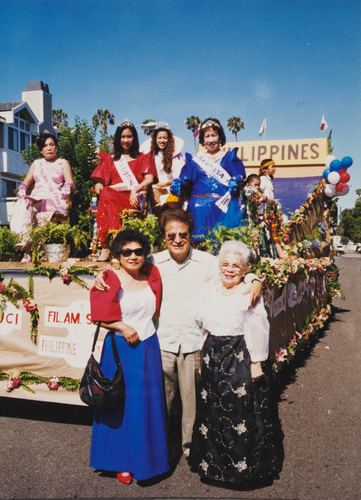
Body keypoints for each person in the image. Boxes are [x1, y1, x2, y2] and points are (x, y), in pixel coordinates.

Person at [93, 208, 262, 460]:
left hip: (194, 342)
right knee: (161, 402)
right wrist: (101, 274)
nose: (177, 240)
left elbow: (234, 270)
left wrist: (254, 278)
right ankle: (160, 449)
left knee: (192, 403)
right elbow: (125, 270)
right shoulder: (151, 263)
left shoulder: (208, 262)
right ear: (164, 238)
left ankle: (190, 448)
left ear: (190, 234)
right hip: (161, 342)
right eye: (171, 235)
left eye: (183, 234)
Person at [189, 240, 283, 487]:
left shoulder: (248, 291)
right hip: (212, 356)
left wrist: (257, 363)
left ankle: (240, 472)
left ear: (244, 269)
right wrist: (201, 359)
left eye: (235, 266)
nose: (229, 269)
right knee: (213, 412)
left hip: (238, 354)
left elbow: (259, 327)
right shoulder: (209, 289)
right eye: (225, 264)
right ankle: (214, 467)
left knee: (240, 411)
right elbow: (205, 329)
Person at [89, 229, 169, 484]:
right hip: (120, 349)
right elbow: (98, 316)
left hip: (147, 347)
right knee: (121, 406)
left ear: (145, 254)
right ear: (118, 254)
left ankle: (148, 461)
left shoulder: (152, 275)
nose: (133, 256)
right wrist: (122, 326)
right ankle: (122, 462)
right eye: (127, 252)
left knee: (147, 405)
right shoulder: (109, 278)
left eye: (138, 251)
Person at [91, 121, 157, 261]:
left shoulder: (142, 158)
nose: (126, 140)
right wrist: (98, 184)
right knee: (106, 193)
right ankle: (106, 247)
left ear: (134, 138)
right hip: (111, 198)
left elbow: (149, 179)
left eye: (129, 136)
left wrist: (135, 189)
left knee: (107, 196)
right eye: (122, 137)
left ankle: (112, 245)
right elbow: (101, 181)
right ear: (118, 139)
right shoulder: (111, 160)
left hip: (133, 198)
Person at [170, 118, 245, 241]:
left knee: (222, 240)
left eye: (213, 135)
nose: (210, 140)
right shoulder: (195, 161)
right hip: (197, 205)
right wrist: (178, 182)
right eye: (207, 136)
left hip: (221, 204)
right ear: (203, 140)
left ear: (220, 137)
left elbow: (240, 175)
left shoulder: (228, 157)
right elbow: (186, 179)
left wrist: (236, 180)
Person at [10, 130, 74, 263]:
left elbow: (70, 182)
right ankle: (25, 240)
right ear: (41, 150)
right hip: (37, 197)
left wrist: (67, 188)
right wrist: (22, 189)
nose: (49, 148)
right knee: (23, 204)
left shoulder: (63, 163)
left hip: (54, 199)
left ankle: (32, 250)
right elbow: (26, 182)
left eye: (51, 144)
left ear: (56, 147)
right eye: (45, 145)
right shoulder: (36, 164)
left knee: (40, 209)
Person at [140, 122, 184, 212]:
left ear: (169, 139)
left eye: (165, 138)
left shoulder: (175, 155)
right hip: (153, 189)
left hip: (171, 189)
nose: (162, 141)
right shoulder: (150, 156)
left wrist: (166, 184)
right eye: (160, 138)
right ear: (155, 139)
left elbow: (178, 177)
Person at [258, 159, 288, 259]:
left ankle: (274, 258)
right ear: (265, 169)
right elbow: (258, 194)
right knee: (265, 238)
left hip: (270, 213)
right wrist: (271, 201)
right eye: (272, 166)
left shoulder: (268, 179)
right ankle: (267, 259)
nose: (275, 168)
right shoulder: (262, 179)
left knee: (273, 237)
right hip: (263, 214)